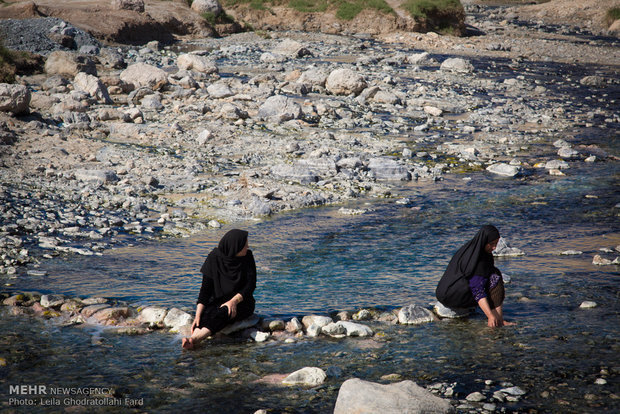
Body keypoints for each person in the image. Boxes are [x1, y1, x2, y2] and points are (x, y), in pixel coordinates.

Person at [182, 229, 256, 349]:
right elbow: (205, 291)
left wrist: (233, 301)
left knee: (224, 312)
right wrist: (198, 315)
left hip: (242, 302)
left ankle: (194, 340)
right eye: (245, 244)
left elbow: (250, 286)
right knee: (205, 315)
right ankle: (192, 338)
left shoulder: (248, 257)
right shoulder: (214, 258)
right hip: (217, 300)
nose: (247, 246)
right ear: (235, 247)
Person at [436, 225, 515, 327]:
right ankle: (498, 320)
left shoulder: (470, 249)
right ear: (484, 241)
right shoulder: (477, 260)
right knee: (495, 278)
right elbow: (477, 290)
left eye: (496, 244)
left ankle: (499, 319)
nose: (494, 248)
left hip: (444, 292)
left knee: (494, 274)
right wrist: (490, 316)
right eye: (491, 244)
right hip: (452, 297)